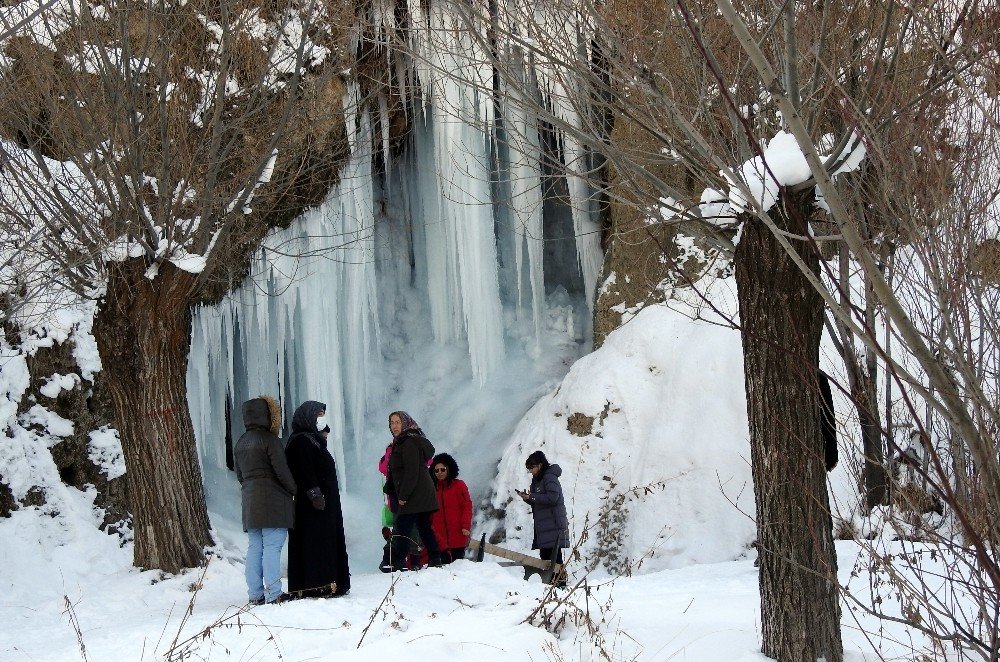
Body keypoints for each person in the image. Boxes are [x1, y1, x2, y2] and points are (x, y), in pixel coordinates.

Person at [233, 395, 296, 605]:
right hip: (274, 501)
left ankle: (255, 594)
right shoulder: (270, 440)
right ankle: (274, 592)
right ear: (268, 416)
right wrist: (294, 490)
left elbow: (240, 476)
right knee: (272, 547)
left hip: (250, 501)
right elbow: (282, 471)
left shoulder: (241, 442)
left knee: (255, 547)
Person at [285, 401, 351, 597]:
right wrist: (315, 495)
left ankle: (330, 582)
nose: (322, 417)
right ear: (308, 416)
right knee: (315, 542)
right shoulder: (301, 441)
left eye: (323, 413)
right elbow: (305, 471)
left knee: (326, 541)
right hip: (312, 505)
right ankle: (317, 584)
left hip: (323, 502)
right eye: (319, 414)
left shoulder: (312, 439)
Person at [385, 411, 441, 570]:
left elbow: (411, 471)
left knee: (403, 527)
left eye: (397, 422)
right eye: (392, 423)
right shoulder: (405, 440)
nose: (394, 426)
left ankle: (398, 562)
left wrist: (403, 495)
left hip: (416, 492)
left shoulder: (408, 442)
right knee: (423, 526)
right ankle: (436, 558)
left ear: (405, 423)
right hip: (421, 491)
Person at [516, 450, 569, 572]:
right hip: (544, 527)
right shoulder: (537, 480)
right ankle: (551, 585)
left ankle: (560, 586)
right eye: (528, 468)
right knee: (545, 559)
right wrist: (527, 498)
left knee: (555, 559)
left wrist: (532, 497)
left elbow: (553, 498)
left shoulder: (549, 477)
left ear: (540, 465)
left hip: (553, 525)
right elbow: (540, 502)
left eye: (532, 467)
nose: (530, 471)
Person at [430, 453, 472, 563]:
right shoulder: (432, 489)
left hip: (458, 535)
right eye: (436, 470)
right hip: (439, 539)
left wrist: (465, 526)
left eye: (442, 469)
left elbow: (467, 506)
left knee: (457, 568)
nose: (439, 473)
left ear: (448, 469)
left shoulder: (459, 485)